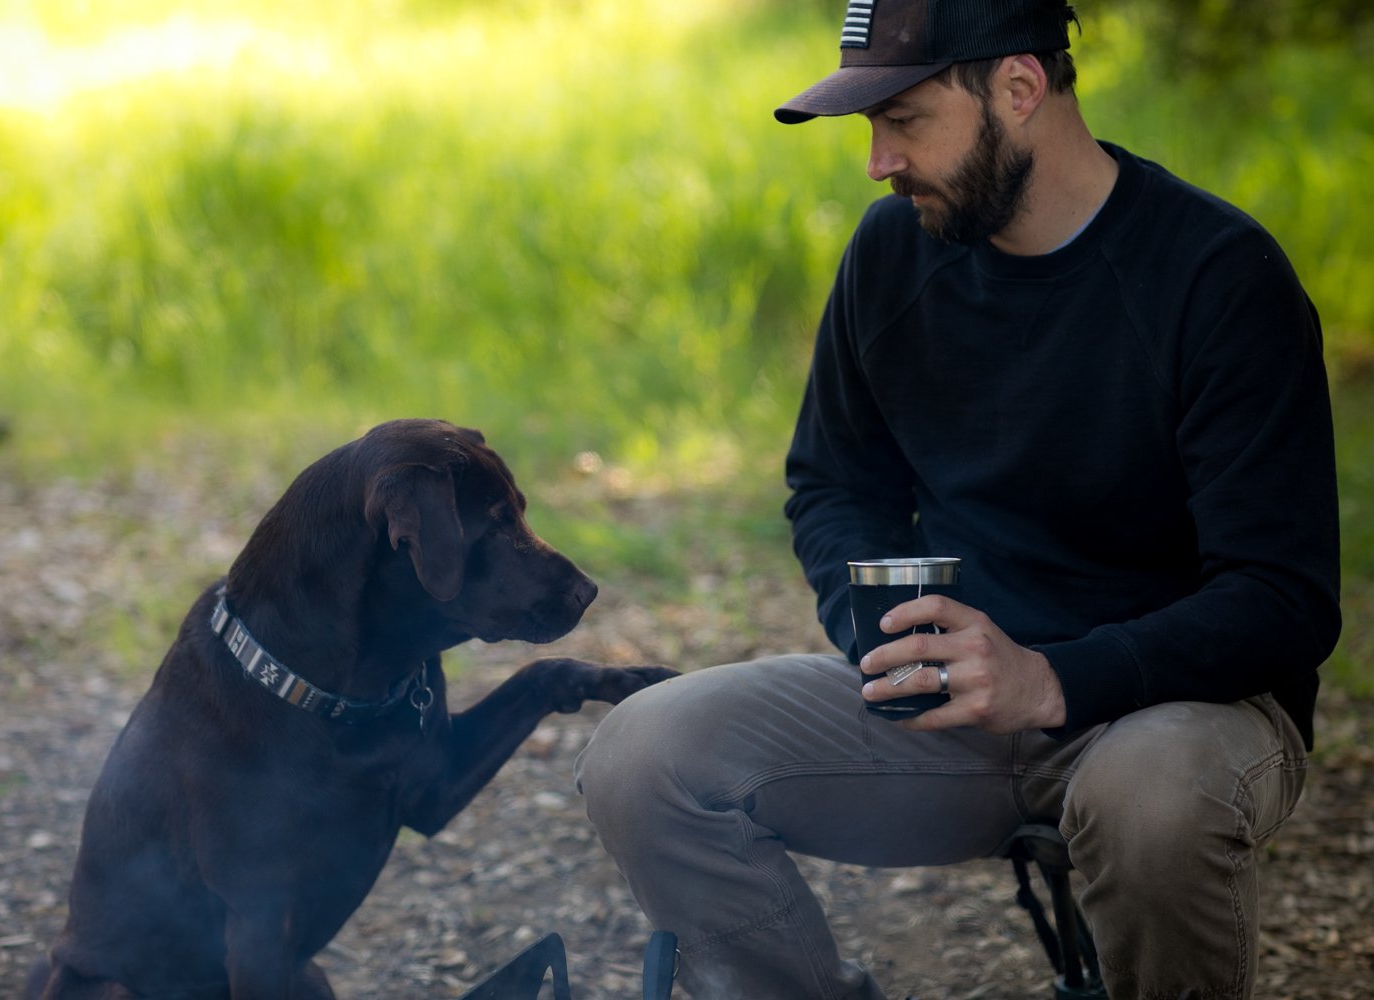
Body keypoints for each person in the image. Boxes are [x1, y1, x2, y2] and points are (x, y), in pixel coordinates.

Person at [573, 1, 1341, 997]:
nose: (878, 163)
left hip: (1182, 713)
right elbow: (835, 484)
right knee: (645, 753)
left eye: (905, 119)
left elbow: (1283, 599)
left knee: (1149, 797)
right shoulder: (892, 255)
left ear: (1020, 89)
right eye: (869, 128)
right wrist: (887, 634)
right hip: (960, 717)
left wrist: (1055, 679)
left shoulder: (1217, 279)